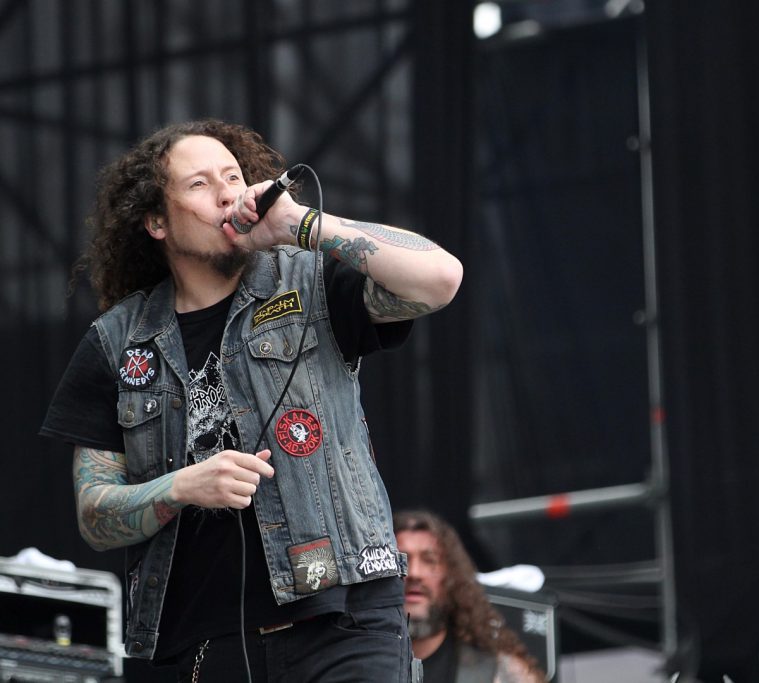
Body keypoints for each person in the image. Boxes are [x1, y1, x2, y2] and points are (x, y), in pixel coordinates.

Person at [39, 119, 463, 681]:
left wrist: (301, 224)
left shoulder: (308, 282)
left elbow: (440, 278)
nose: (226, 193)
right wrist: (182, 486)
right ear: (156, 221)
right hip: (204, 644)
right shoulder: (117, 342)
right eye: (199, 184)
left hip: (344, 620)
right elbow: (95, 514)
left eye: (233, 177)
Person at [393, 510, 546, 683]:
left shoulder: (498, 671)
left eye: (430, 560)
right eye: (401, 560)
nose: (414, 573)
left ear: (451, 576)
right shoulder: (366, 663)